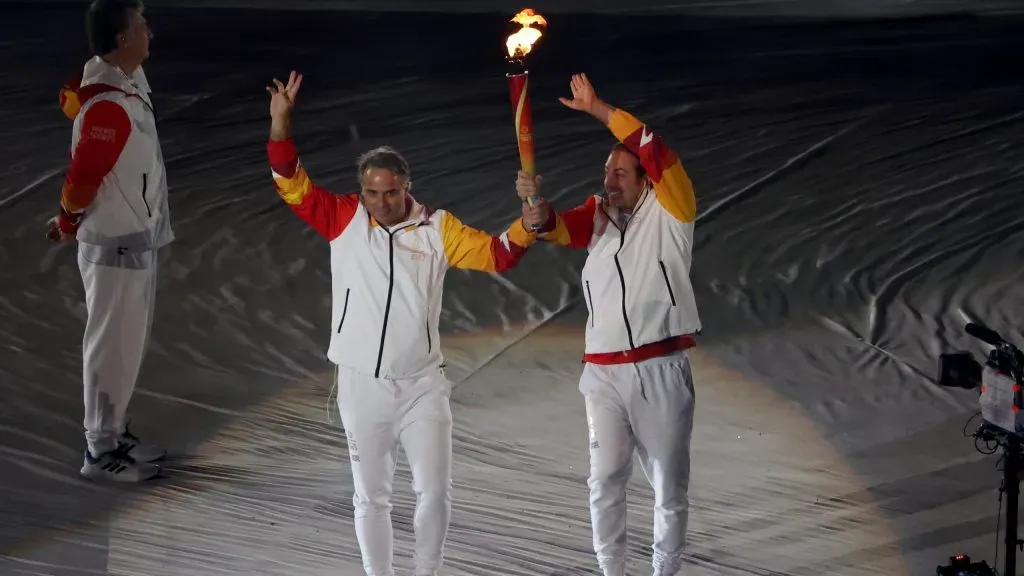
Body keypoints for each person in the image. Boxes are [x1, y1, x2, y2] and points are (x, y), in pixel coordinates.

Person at [265, 70, 544, 576]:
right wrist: (281, 123)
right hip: (361, 386)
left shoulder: (438, 228)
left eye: (390, 193)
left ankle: (427, 572)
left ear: (407, 187)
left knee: (434, 491)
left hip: (421, 385)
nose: (380, 203)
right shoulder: (343, 219)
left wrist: (527, 226)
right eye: (371, 193)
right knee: (370, 497)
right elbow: (290, 180)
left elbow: (498, 255)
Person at [518, 73, 701, 576]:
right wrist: (535, 214)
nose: (610, 180)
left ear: (647, 181)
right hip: (601, 375)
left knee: (668, 488)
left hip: (659, 370)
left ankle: (665, 571)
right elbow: (556, 226)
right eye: (607, 171)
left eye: (622, 172)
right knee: (604, 481)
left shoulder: (673, 212)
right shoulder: (598, 217)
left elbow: (653, 147)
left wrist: (600, 110)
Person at [49, 0, 171, 482]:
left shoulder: (122, 84)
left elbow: (75, 96)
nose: (149, 33)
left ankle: (114, 432)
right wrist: (66, 222)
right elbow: (83, 177)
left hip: (134, 240)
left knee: (126, 346)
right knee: (110, 347)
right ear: (122, 39)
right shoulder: (109, 105)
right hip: (115, 246)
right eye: (141, 26)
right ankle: (99, 451)